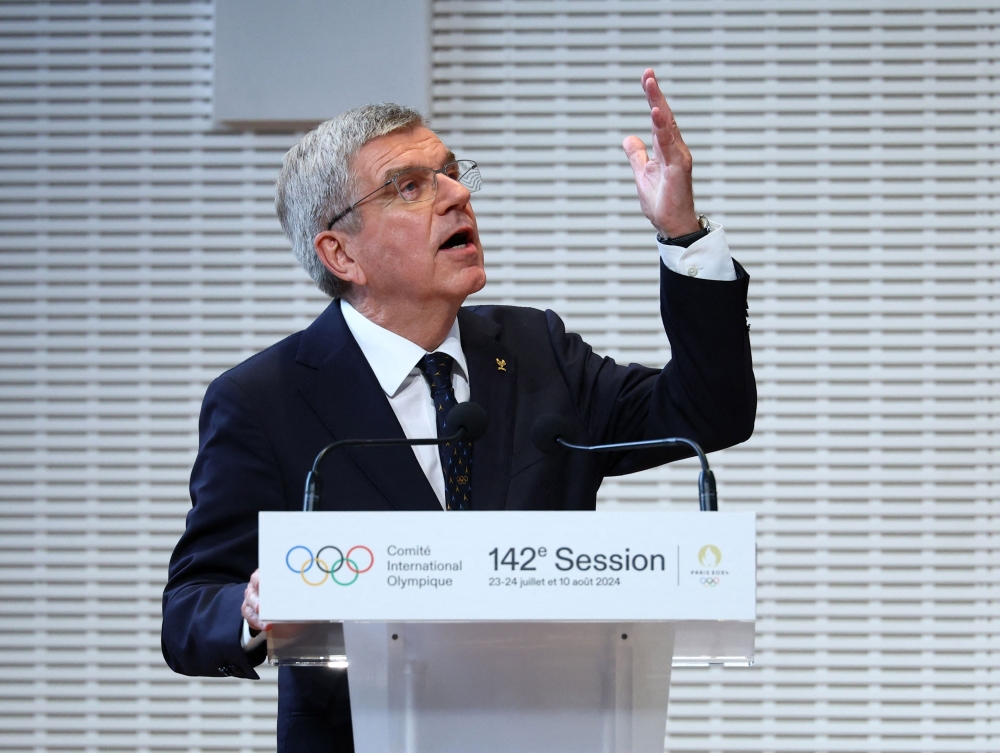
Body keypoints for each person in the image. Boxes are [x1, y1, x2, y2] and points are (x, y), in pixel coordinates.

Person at [161, 69, 756, 753]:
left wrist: (683, 235)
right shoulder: (263, 400)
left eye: (450, 172)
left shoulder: (537, 351)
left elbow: (707, 413)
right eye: (410, 187)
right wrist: (252, 608)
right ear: (340, 251)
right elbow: (187, 612)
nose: (457, 195)